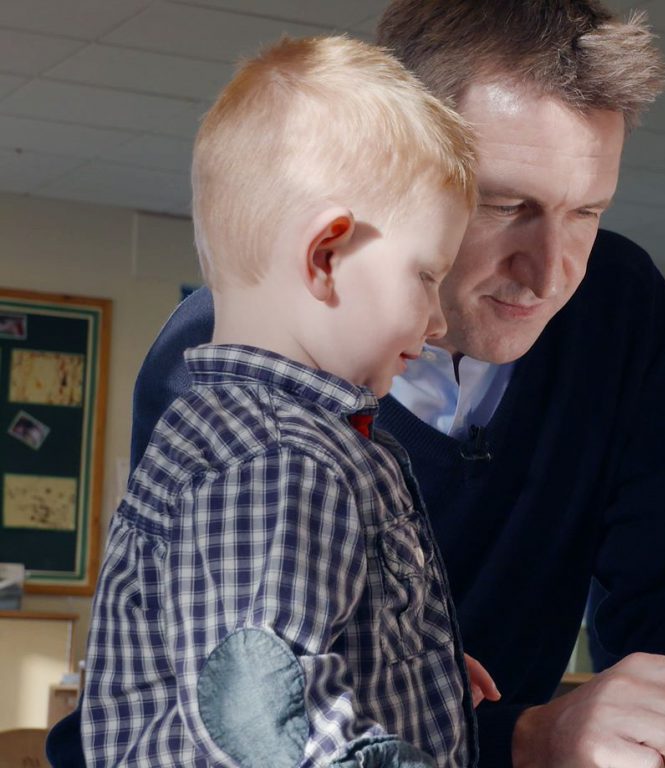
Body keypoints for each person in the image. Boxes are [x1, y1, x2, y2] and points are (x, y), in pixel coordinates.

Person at [49, 3, 665, 767]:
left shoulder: (620, 303)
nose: (551, 274)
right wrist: (512, 737)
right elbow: (247, 703)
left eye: (588, 213)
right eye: (504, 205)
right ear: (409, 164)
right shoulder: (229, 368)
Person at [80, 36, 486, 766]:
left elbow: (256, 643)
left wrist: (408, 663)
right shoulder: (277, 458)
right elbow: (257, 710)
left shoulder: (241, 433)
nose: (438, 322)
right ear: (327, 257)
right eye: (427, 277)